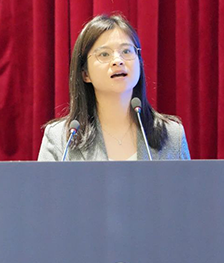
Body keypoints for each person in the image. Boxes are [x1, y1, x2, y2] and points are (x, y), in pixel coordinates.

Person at [37, 14, 190, 161]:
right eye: (104, 54)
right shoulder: (60, 138)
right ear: (85, 74)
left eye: (126, 51)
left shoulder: (172, 135)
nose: (118, 60)